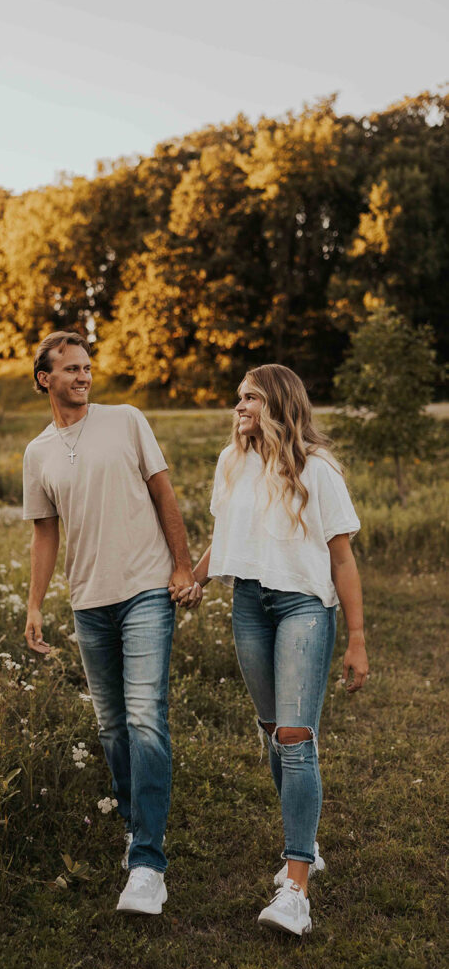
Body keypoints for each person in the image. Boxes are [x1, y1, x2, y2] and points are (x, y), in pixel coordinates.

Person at [182, 364, 369, 936]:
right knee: (272, 731)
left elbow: (341, 559)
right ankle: (304, 834)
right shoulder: (231, 462)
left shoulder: (318, 469)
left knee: (295, 736)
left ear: (280, 404)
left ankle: (296, 887)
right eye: (238, 397)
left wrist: (356, 638)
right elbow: (228, 536)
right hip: (248, 607)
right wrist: (195, 576)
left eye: (251, 398)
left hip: (304, 609)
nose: (239, 406)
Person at [22, 330, 201, 915]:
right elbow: (44, 531)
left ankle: (149, 863)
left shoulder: (127, 420)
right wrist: (34, 604)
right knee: (112, 727)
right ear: (44, 378)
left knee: (147, 718)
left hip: (147, 588)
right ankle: (134, 826)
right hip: (89, 601)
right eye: (70, 368)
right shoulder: (38, 452)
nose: (83, 375)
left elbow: (162, 493)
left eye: (87, 366)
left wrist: (180, 565)